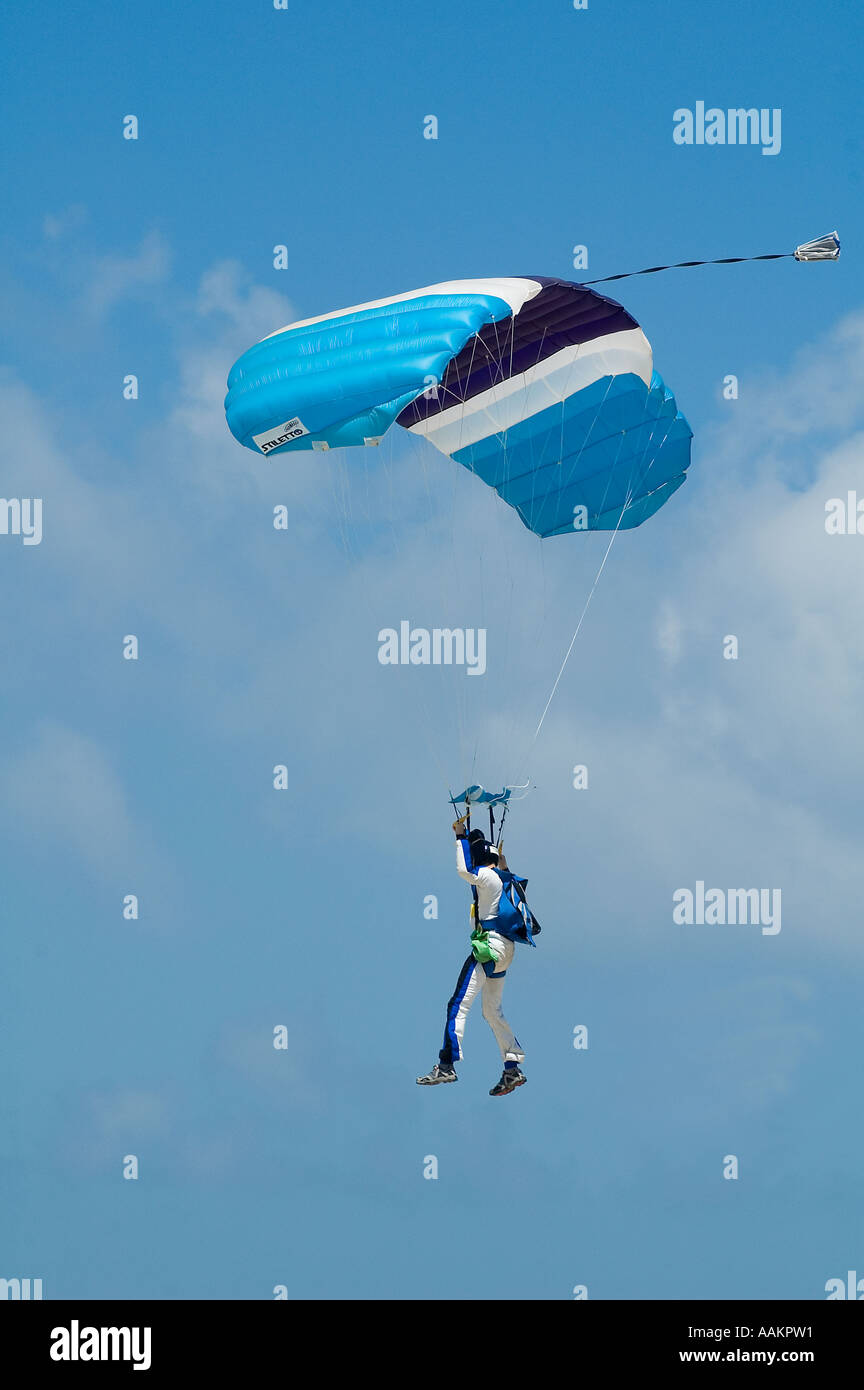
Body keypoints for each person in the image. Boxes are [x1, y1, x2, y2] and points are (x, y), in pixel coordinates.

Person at [416, 815, 529, 1097]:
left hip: (489, 948)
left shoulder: (486, 876)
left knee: (457, 1005)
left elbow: (464, 870)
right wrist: (501, 857)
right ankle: (512, 1066)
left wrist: (459, 836)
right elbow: (500, 868)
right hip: (505, 950)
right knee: (492, 1011)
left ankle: (446, 1064)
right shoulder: (505, 877)